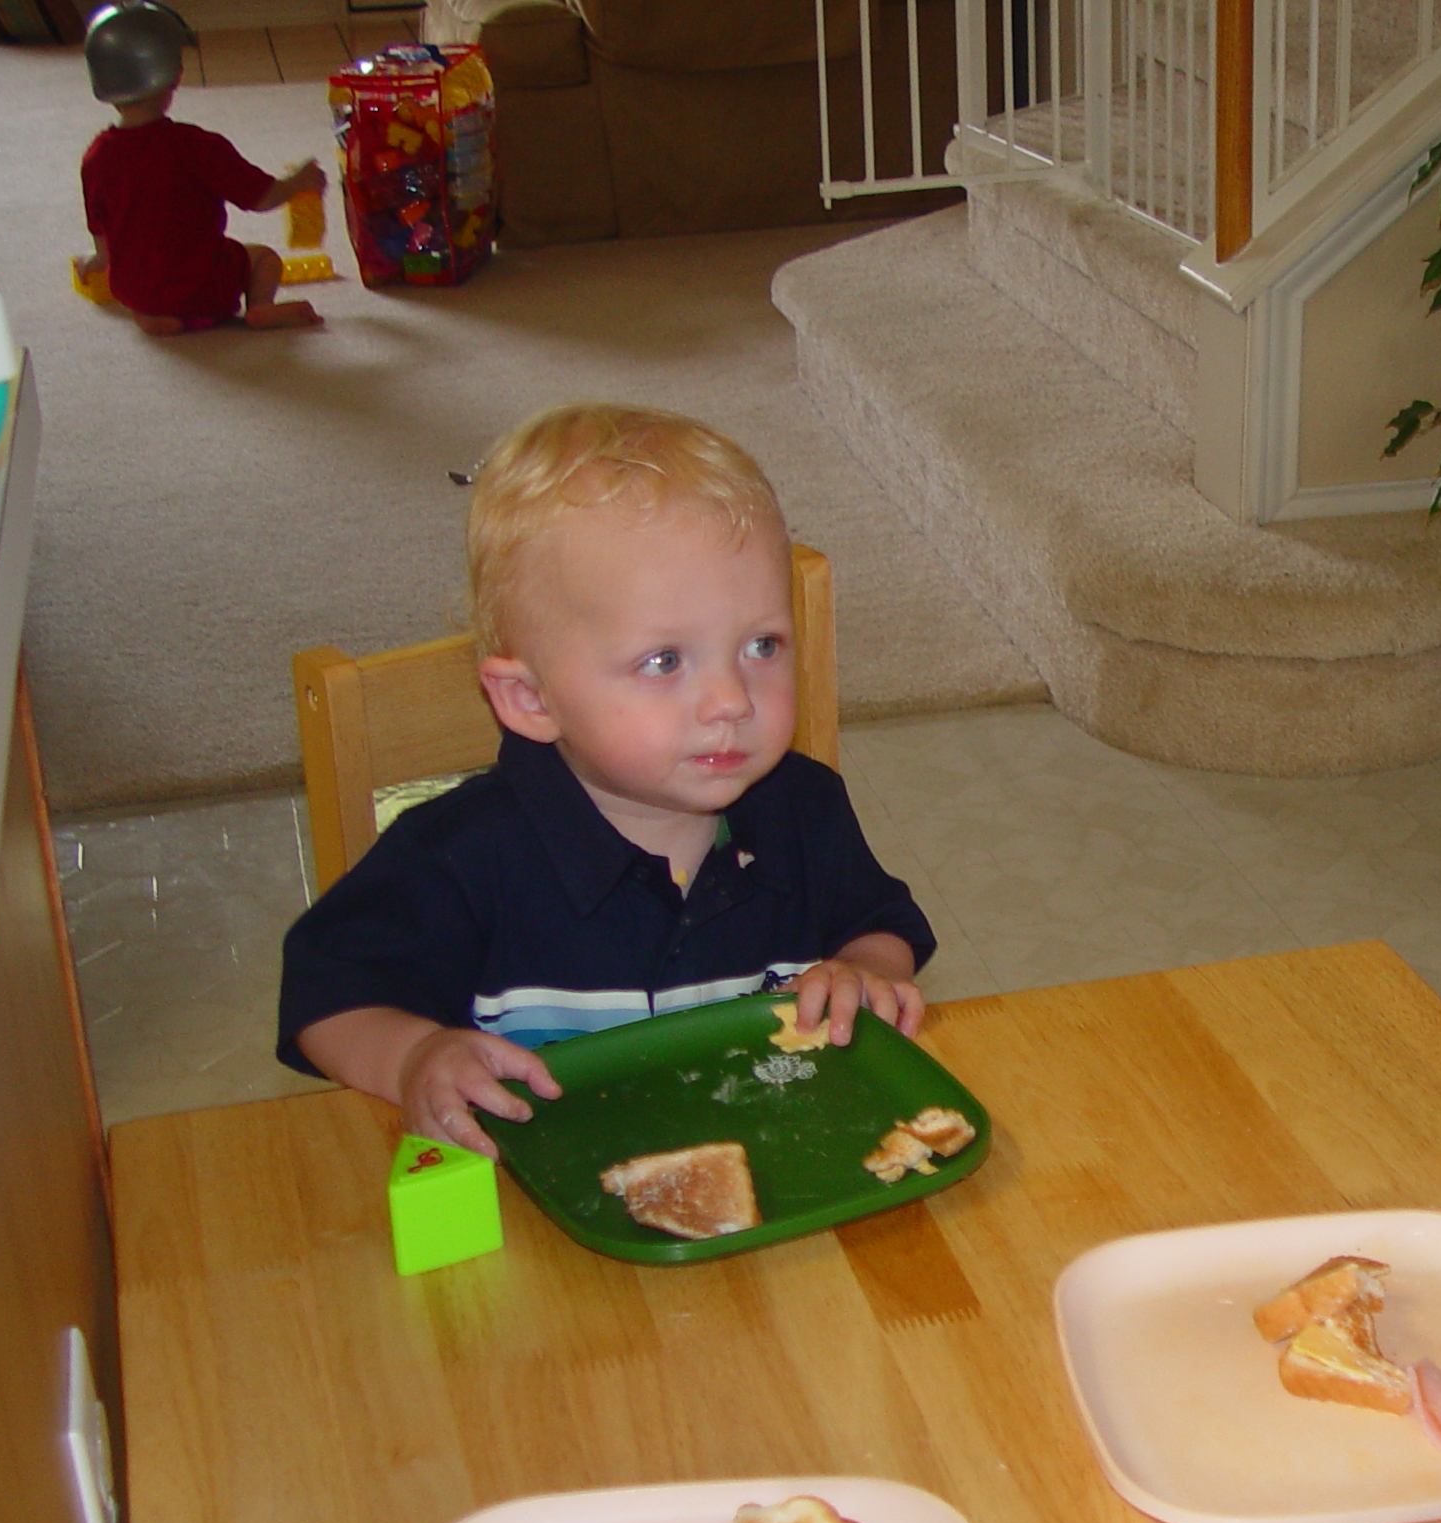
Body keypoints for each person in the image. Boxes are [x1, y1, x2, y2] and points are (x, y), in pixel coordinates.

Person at [278, 402, 935, 1158]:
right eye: (664, 661)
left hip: (775, 1168)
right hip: (540, 1202)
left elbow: (881, 923)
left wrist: (865, 970)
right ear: (531, 700)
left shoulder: (804, 807)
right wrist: (414, 1057)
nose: (732, 701)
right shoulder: (457, 853)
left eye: (761, 644)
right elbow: (327, 997)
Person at [76, 0, 323, 334]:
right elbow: (260, 197)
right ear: (173, 75)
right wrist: (299, 181)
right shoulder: (197, 146)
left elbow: (100, 230)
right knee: (263, 258)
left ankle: (152, 316)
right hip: (207, 289)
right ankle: (261, 308)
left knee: (138, 280)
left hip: (138, 291)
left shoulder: (96, 157)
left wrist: (97, 260)